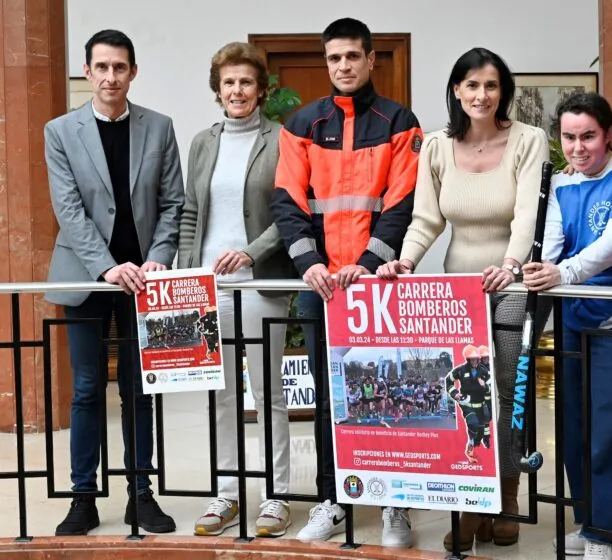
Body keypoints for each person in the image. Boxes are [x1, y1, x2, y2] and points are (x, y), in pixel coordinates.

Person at [376, 47, 548, 551]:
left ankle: (508, 498)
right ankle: (473, 501)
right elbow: (427, 219)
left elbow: (526, 216)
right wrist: (405, 261)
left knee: (508, 392)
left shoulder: (528, 140)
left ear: (503, 92)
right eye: (471, 85)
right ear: (456, 90)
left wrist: (512, 266)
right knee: (469, 397)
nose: (481, 95)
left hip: (512, 285)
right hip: (459, 290)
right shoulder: (435, 146)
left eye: (491, 86)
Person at [270, 17, 422, 548]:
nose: (344, 66)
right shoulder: (301, 124)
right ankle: (333, 500)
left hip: (379, 282)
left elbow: (403, 204)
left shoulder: (401, 122)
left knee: (390, 394)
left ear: (371, 59)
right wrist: (309, 263)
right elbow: (286, 203)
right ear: (327, 62)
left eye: (353, 56)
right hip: (320, 287)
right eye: (335, 58)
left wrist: (369, 260)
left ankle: (394, 503)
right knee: (333, 397)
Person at [45, 29, 183, 536]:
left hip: (145, 282)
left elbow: (173, 204)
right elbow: (70, 210)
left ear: (133, 72)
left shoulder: (160, 127)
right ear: (88, 72)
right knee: (85, 390)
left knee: (138, 391)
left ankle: (140, 495)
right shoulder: (59, 131)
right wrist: (108, 266)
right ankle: (82, 498)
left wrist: (158, 259)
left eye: (119, 67)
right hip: (87, 276)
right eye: (101, 67)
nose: (110, 76)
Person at [523, 92, 612, 560]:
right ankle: (592, 520)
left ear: (608, 135)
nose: (579, 148)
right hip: (571, 316)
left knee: (611, 425)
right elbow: (554, 241)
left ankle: (602, 533)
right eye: (569, 137)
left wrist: (563, 273)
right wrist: (536, 268)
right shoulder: (561, 182)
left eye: (589, 137)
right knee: (573, 425)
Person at [178, 41, 297, 538]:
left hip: (260, 282)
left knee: (267, 392)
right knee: (221, 395)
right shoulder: (203, 142)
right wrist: (186, 276)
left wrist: (250, 251)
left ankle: (276, 496)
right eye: (229, 82)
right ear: (217, 89)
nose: (237, 90)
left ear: (262, 89)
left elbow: (292, 211)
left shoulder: (282, 139)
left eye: (246, 82)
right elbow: (189, 213)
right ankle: (227, 493)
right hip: (209, 288)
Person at [444, 345, 493, 462]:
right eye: (473, 358)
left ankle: (474, 446)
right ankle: (468, 449)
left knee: (480, 431)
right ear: (468, 359)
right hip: (467, 405)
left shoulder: (484, 371)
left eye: (477, 358)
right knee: (473, 423)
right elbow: (448, 381)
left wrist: (485, 386)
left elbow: (491, 389)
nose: (476, 361)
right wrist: (455, 393)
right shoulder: (460, 370)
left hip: (481, 405)